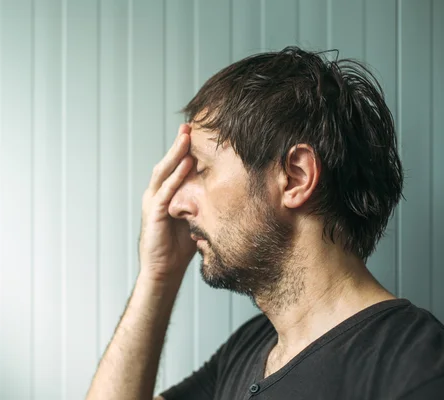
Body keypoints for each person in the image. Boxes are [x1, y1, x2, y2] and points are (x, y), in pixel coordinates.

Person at [85, 47, 444, 399]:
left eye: (202, 170)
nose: (175, 205)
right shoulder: (248, 349)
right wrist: (158, 275)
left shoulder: (416, 368)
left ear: (295, 177)